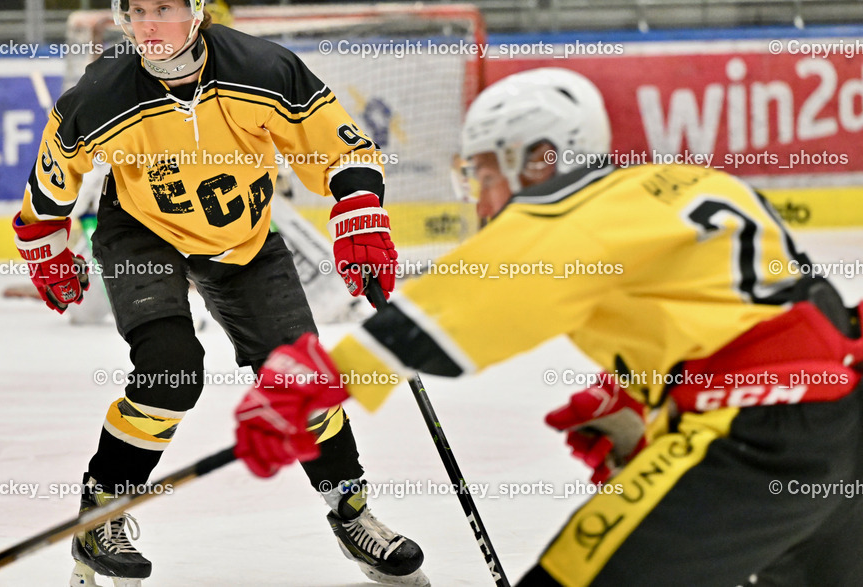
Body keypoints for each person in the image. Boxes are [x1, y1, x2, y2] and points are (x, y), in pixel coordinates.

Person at [232, 67, 863, 586]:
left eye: (485, 173)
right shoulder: (685, 183)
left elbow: (464, 302)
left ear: (540, 158)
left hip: (754, 440)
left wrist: (322, 377)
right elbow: (778, 315)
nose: (481, 198)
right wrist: (651, 395)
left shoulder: (569, 213)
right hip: (838, 428)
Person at [11, 0, 426, 587]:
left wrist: (360, 212)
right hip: (143, 234)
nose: (148, 25)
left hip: (243, 241)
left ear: (197, 8)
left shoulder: (264, 69)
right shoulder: (99, 94)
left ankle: (351, 512)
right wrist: (44, 243)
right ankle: (101, 514)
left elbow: (343, 150)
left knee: (301, 381)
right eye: (136, 10)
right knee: (169, 373)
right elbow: (51, 183)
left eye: (164, 8)